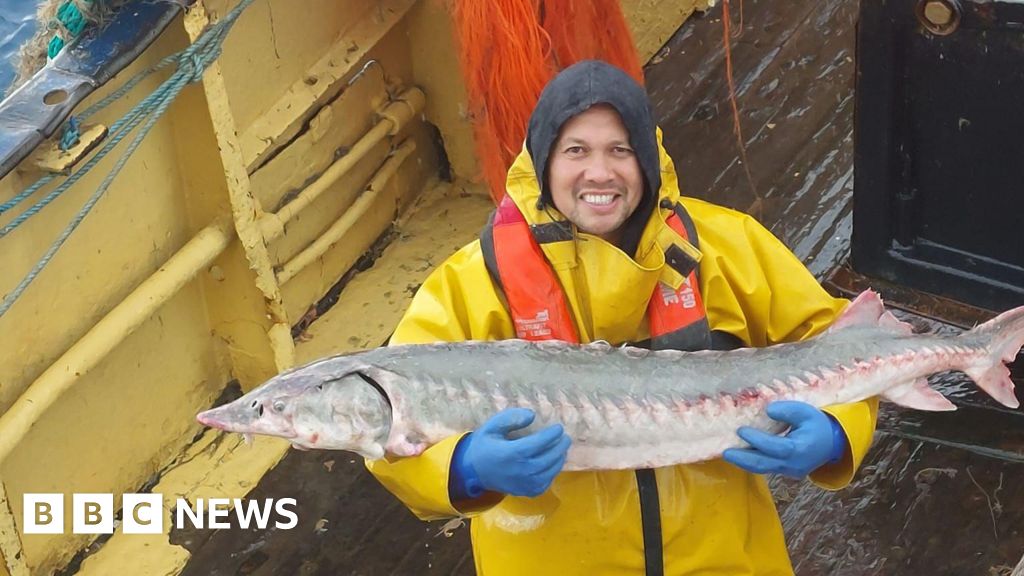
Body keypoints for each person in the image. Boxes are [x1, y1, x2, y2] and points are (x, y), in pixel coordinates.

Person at [366, 60, 878, 575]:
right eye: (575, 151)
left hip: (725, 558)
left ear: (648, 161)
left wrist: (836, 432)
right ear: (543, 162)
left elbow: (841, 342)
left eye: (620, 150)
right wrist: (462, 468)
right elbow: (388, 432)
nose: (599, 173)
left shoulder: (728, 246)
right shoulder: (474, 282)